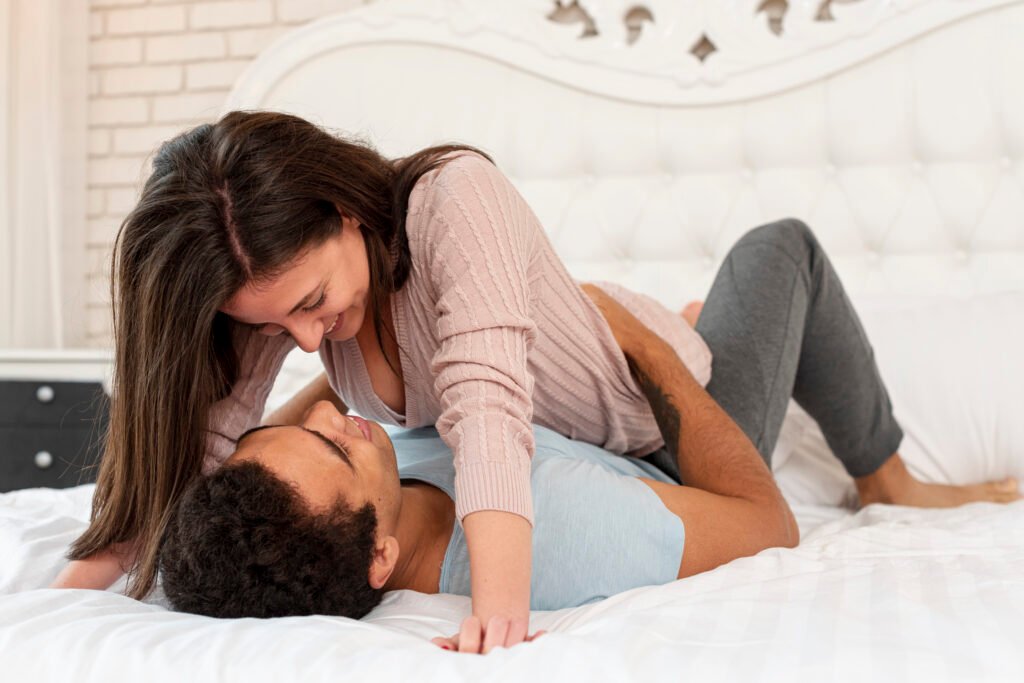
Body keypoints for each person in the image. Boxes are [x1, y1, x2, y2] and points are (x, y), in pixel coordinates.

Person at [51, 111, 1019, 652]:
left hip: (655, 424)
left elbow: (485, 404)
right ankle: (646, 315)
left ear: (346, 211)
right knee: (604, 312)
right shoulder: (282, 285)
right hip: (564, 422)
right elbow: (213, 428)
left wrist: (499, 613)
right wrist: (81, 579)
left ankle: (887, 475)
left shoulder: (449, 198)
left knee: (780, 248)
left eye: (311, 302)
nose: (305, 338)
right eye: (274, 324)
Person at [158, 294, 800, 655]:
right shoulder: (563, 529)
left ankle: (690, 322)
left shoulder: (361, 500)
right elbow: (769, 522)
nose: (329, 412)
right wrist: (642, 347)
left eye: (288, 429)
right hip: (669, 444)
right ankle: (884, 474)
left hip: (572, 409)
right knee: (780, 249)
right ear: (380, 558)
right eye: (336, 448)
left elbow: (278, 452)